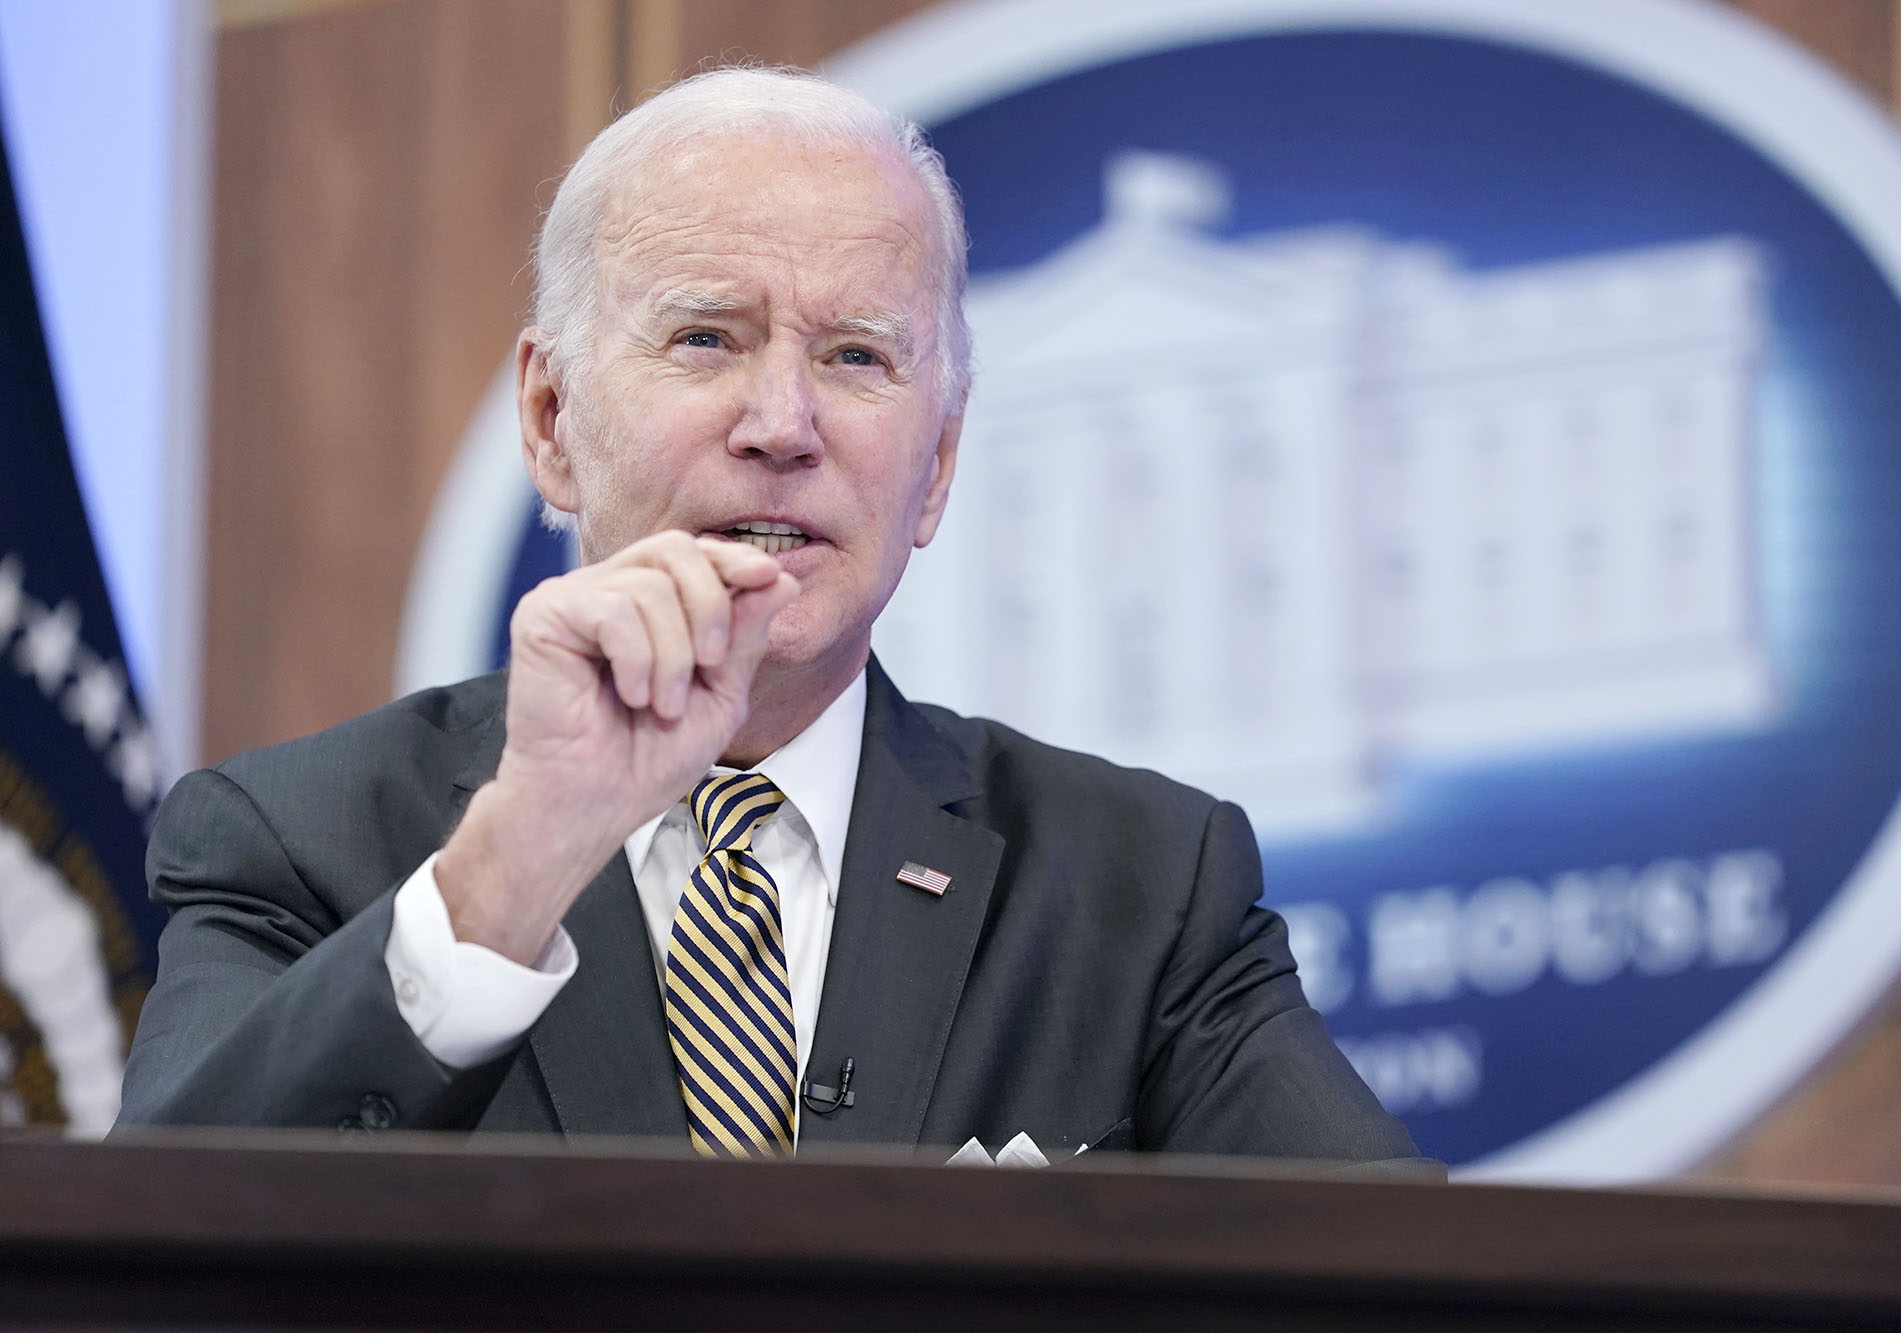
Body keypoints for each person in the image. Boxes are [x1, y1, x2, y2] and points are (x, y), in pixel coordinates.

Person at [118, 67, 1422, 1167]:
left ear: (941, 462)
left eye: (856, 355)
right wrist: (515, 865)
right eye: (706, 339)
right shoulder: (291, 843)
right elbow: (157, 1256)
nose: (783, 426)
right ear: (552, 421)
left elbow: (1418, 1288)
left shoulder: (1141, 889)